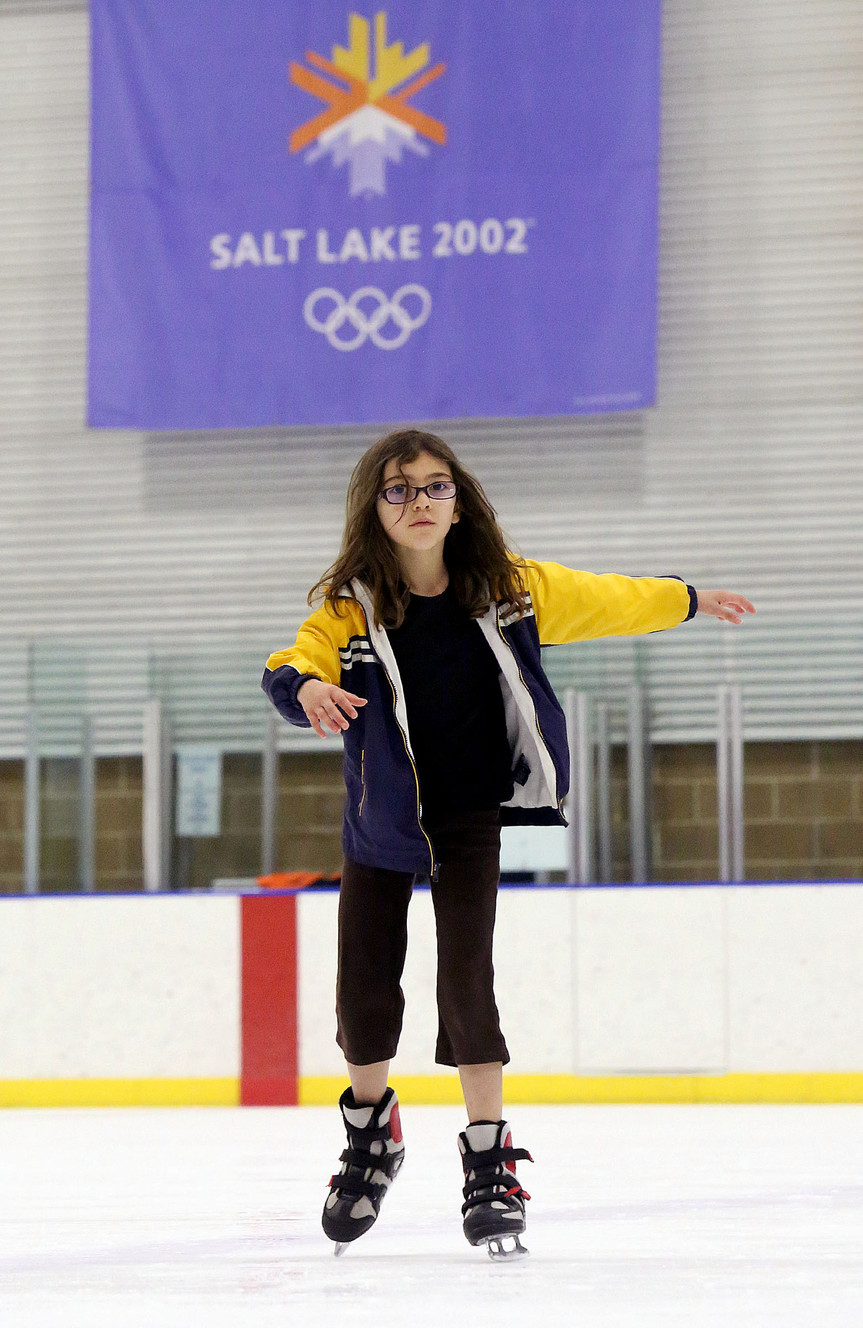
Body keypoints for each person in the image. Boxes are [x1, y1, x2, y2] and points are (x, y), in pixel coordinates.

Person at [261, 428, 755, 1259]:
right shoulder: (349, 608)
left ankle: (488, 1159)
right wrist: (306, 686)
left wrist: (688, 597)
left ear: (458, 499)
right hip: (382, 816)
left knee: (467, 979)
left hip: (470, 815)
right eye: (397, 490)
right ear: (372, 509)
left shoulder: (508, 590)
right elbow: (290, 662)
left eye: (432, 487)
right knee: (362, 991)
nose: (418, 503)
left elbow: (610, 597)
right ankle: (371, 1137)